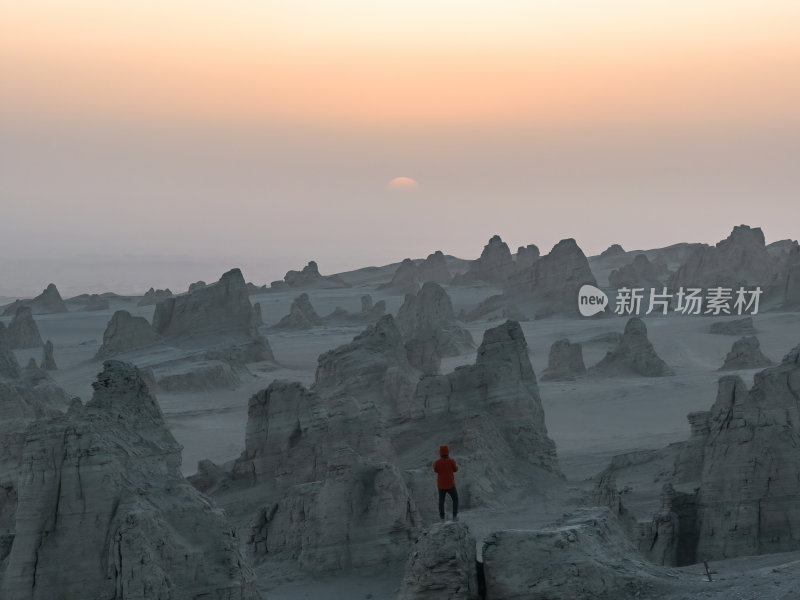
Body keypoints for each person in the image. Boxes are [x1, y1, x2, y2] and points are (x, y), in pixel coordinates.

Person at [434, 445, 458, 522]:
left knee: (441, 501)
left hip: (441, 485)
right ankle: (454, 517)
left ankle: (442, 518)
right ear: (448, 452)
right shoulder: (451, 461)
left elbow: (435, 470)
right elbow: (455, 469)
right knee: (455, 499)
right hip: (451, 484)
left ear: (440, 453)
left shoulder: (437, 462)